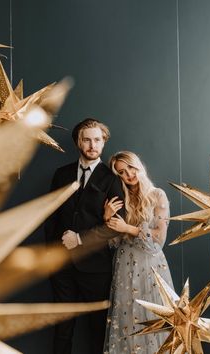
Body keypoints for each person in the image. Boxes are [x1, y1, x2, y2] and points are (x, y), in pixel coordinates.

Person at [45, 118, 125, 354]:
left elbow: (115, 226)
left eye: (97, 140)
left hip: (96, 268)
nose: (92, 145)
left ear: (103, 142)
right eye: (87, 140)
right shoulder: (61, 174)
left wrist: (80, 238)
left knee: (97, 330)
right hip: (62, 266)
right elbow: (50, 217)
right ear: (78, 142)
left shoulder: (112, 180)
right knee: (62, 328)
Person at [102, 151, 174, 354]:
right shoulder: (119, 199)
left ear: (139, 165)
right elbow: (112, 243)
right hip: (124, 264)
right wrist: (107, 219)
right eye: (122, 172)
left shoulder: (158, 195)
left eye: (131, 168)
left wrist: (129, 229)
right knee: (126, 320)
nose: (129, 175)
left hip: (151, 266)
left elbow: (158, 240)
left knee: (154, 318)